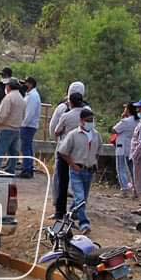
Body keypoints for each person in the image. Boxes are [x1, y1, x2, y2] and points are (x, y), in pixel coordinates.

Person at [56, 108, 101, 234]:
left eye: (91, 120)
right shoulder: (73, 135)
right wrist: (72, 164)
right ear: (81, 121)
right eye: (88, 120)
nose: (90, 122)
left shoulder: (96, 135)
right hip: (77, 170)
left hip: (89, 170)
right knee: (80, 197)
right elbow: (62, 151)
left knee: (82, 199)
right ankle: (84, 224)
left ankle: (71, 214)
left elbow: (98, 150)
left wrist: (95, 163)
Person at [52, 91, 86, 219]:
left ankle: (60, 212)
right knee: (78, 183)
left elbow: (56, 131)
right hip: (80, 151)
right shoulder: (86, 115)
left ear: (70, 102)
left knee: (62, 182)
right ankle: (76, 211)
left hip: (65, 151)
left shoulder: (66, 116)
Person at [0, 78, 25, 174]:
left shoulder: (9, 98)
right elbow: (23, 114)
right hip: (16, 128)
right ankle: (11, 170)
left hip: (6, 127)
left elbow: (3, 114)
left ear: (9, 86)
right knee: (13, 152)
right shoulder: (21, 98)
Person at [112, 103, 139, 193]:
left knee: (121, 168)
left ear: (128, 110)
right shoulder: (138, 121)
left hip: (122, 147)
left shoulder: (126, 121)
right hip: (132, 147)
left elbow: (114, 129)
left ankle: (125, 188)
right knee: (132, 169)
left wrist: (123, 117)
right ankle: (135, 188)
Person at [19, 76, 41, 178]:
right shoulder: (31, 95)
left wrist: (23, 124)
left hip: (28, 125)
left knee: (26, 148)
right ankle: (29, 168)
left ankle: (27, 169)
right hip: (29, 125)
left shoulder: (33, 96)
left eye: (26, 83)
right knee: (28, 147)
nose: (24, 85)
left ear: (31, 84)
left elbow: (30, 113)